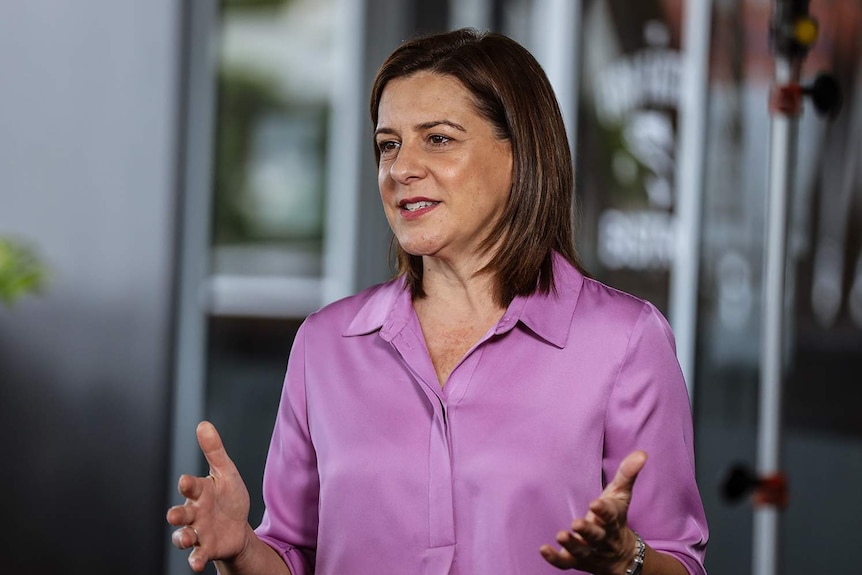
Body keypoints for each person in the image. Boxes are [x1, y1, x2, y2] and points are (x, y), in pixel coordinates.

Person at [167, 28, 708, 575]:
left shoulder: (623, 341)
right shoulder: (325, 345)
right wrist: (242, 551)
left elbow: (679, 562)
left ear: (521, 152)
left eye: (439, 139)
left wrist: (626, 559)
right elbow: (293, 557)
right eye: (388, 144)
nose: (401, 168)